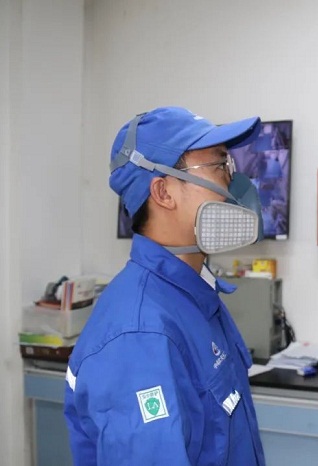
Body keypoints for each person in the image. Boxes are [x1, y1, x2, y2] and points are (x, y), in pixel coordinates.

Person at [64, 107, 267, 465]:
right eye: (220, 166)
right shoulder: (140, 335)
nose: (234, 184)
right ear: (163, 192)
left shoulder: (195, 295)